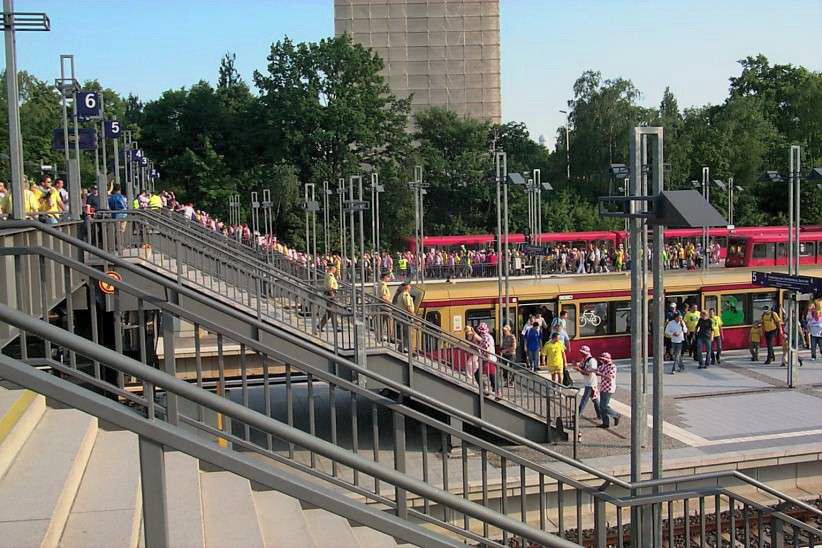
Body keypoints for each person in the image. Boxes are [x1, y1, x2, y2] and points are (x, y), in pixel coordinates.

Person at [574, 345, 601, 420]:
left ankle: (577, 415)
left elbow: (588, 373)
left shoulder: (592, 361)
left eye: (582, 352)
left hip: (591, 383)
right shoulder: (584, 359)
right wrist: (577, 367)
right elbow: (582, 369)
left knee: (584, 399)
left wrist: (579, 369)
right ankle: (600, 415)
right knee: (595, 400)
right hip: (588, 383)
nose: (581, 354)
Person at [595, 352, 620, 429]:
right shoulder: (604, 365)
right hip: (603, 387)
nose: (601, 360)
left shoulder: (613, 366)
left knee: (604, 406)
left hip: (609, 388)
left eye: (603, 359)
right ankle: (605, 423)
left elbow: (609, 377)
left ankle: (616, 415)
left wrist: (600, 373)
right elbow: (597, 371)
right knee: (602, 406)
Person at [475, 323, 500, 399]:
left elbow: (486, 347)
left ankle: (495, 392)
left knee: (490, 375)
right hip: (489, 359)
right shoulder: (487, 336)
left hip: (488, 359)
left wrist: (486, 357)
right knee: (490, 375)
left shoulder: (485, 337)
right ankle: (492, 391)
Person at [317, 265, 339, 333]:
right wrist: (332, 295)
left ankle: (320, 325)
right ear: (332, 269)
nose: (335, 270)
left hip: (329, 293)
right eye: (335, 269)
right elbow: (330, 286)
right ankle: (336, 327)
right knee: (333, 311)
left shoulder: (328, 275)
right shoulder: (330, 275)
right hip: (331, 294)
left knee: (329, 312)